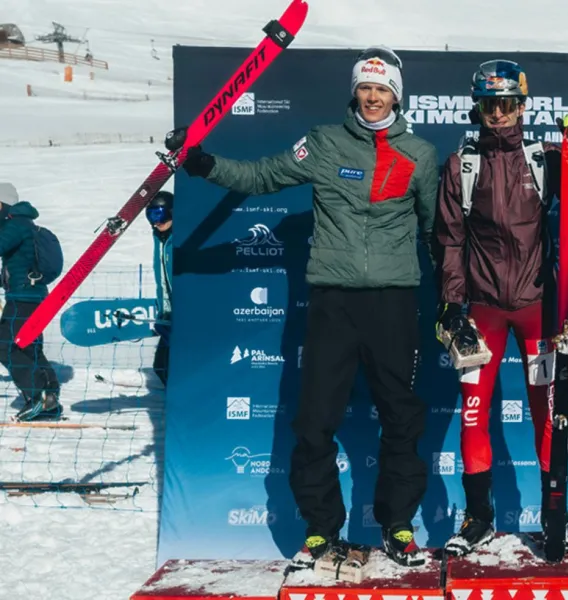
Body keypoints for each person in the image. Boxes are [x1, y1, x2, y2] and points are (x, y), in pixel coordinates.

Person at [167, 46, 439, 568]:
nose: (373, 97)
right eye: (366, 88)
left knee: (402, 419)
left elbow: (433, 230)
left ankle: (398, 525)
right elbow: (260, 177)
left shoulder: (419, 154)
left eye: (382, 89)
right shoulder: (324, 142)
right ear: (354, 92)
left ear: (396, 96)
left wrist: (452, 295)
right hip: (333, 301)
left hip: (393, 302)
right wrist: (202, 163)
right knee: (314, 421)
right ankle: (320, 529)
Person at [434, 59, 568, 557]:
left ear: (522, 106)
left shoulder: (544, 158)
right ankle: (478, 519)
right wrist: (452, 303)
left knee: (546, 413)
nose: (498, 113)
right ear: (478, 107)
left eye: (507, 103)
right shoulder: (462, 165)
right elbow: (450, 241)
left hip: (537, 308)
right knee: (473, 413)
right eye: (489, 104)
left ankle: (555, 518)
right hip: (483, 309)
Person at [0, 184, 62, 422]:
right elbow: (18, 265)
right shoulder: (23, 225)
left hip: (24, 298)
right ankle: (49, 398)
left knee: (6, 345)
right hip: (31, 295)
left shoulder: (15, 225)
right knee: (28, 346)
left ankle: (38, 397)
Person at [146, 191, 173, 387]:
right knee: (161, 367)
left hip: (185, 315)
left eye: (160, 214)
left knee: (168, 366)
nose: (156, 222)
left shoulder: (181, 237)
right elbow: (163, 281)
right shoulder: (160, 238)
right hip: (168, 314)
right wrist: (163, 311)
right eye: (151, 216)